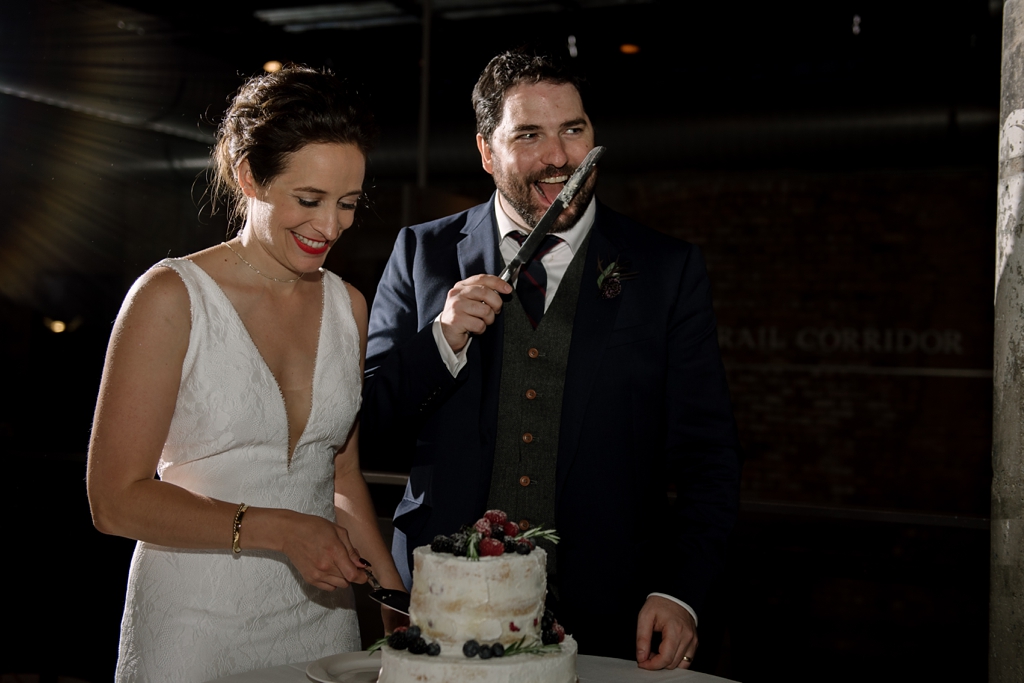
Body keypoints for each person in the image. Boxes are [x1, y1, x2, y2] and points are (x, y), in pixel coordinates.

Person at [360, 51, 741, 671]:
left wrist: (680, 591)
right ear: (487, 152)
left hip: (612, 611)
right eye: (529, 135)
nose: (559, 158)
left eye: (573, 130)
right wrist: (442, 340)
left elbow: (708, 456)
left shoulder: (666, 269)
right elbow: (369, 429)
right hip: (443, 607)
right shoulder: (420, 255)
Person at [86, 65, 406, 682]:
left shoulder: (349, 306)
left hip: (321, 626)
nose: (331, 226)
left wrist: (398, 609)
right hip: (195, 625)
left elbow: (341, 479)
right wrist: (279, 530)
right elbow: (113, 500)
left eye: (347, 204)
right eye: (308, 200)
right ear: (248, 176)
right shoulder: (171, 296)